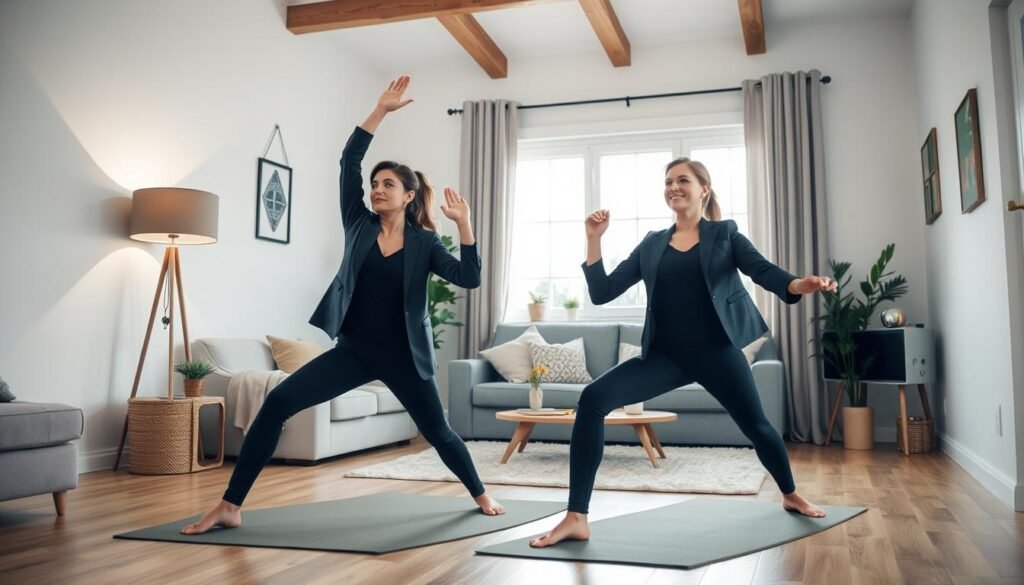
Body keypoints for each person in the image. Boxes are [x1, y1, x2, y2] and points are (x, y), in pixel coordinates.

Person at [181, 75, 504, 535]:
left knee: (439, 433)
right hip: (354, 350)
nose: (377, 189)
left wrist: (466, 225)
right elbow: (348, 160)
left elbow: (469, 277)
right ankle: (231, 504)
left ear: (408, 196)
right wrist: (380, 111)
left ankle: (480, 493)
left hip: (405, 357)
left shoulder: (426, 244)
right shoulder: (358, 223)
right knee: (277, 403)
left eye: (387, 184)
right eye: (375, 183)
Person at [530, 156, 835, 548]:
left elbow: (762, 271)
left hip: (717, 352)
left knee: (757, 426)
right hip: (664, 357)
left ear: (703, 189)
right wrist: (594, 239)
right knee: (592, 399)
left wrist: (798, 284)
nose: (674, 186)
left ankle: (791, 494)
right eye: (669, 181)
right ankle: (576, 516)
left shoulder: (724, 234)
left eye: (683, 180)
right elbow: (602, 293)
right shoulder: (653, 244)